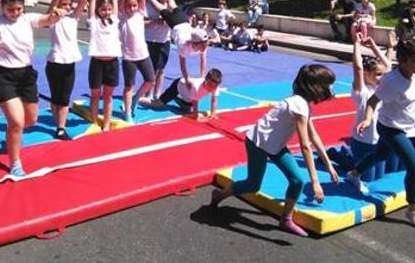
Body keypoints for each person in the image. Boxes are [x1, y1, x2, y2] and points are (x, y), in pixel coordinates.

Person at [210, 64, 340, 237]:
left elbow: (314, 136)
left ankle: (286, 219)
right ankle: (219, 194)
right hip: (258, 142)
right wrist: (315, 181)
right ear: (316, 86)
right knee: (253, 184)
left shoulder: (305, 104)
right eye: (329, 84)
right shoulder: (299, 105)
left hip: (276, 145)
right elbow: (305, 145)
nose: (331, 88)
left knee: (297, 181)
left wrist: (328, 165)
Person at [346, 39, 415, 232]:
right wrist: (368, 119)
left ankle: (354, 173)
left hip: (406, 126)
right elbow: (372, 101)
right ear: (402, 60)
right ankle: (412, 210)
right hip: (389, 127)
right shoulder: (392, 81)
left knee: (382, 154)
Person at [0, 0, 62, 177]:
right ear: (2, 6)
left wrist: (56, 15)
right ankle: (15, 163)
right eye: (10, 9)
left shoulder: (27, 19)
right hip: (3, 76)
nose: (15, 13)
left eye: (19, 9)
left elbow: (46, 19)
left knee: (31, 120)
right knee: (17, 122)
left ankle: (13, 134)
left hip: (26, 75)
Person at [45, 0, 87, 139]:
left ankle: (60, 128)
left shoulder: (73, 18)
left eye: (69, 4)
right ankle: (58, 123)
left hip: (69, 62)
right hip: (54, 62)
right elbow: (54, 1)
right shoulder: (52, 18)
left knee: (64, 97)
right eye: (64, 4)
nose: (67, 7)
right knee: (55, 97)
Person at [348, 32, 394, 182]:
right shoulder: (362, 91)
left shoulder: (382, 88)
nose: (382, 77)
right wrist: (357, 44)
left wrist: (375, 46)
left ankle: (347, 156)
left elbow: (388, 66)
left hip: (379, 140)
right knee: (368, 178)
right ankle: (339, 155)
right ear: (366, 74)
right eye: (378, 75)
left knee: (379, 177)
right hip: (363, 141)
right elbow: (358, 68)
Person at [144, 0, 209, 85]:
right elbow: (183, 66)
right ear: (196, 43)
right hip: (175, 22)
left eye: (205, 45)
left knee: (174, 7)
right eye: (202, 45)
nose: (204, 48)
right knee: (161, 8)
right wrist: (186, 79)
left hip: (185, 21)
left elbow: (203, 61)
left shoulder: (203, 43)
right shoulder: (183, 46)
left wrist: (202, 77)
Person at [85, 0, 122, 131]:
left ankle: (106, 124)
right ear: (98, 10)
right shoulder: (93, 21)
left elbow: (114, 0)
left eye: (108, 9)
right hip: (97, 63)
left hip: (112, 62)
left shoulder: (115, 21)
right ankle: (94, 122)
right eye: (103, 9)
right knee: (95, 94)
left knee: (108, 96)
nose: (106, 12)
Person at [119, 0, 155, 123]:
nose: (132, 8)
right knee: (128, 86)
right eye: (129, 6)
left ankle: (135, 99)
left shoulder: (140, 13)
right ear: (125, 7)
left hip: (143, 54)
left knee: (150, 80)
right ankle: (127, 113)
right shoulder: (122, 16)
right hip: (128, 57)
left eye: (134, 6)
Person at [141, 68, 222, 120]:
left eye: (215, 86)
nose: (212, 88)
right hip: (178, 86)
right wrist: (196, 116)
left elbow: (214, 100)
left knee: (186, 110)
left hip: (188, 95)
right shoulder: (197, 87)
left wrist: (213, 114)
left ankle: (175, 98)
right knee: (158, 105)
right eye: (210, 85)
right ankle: (138, 98)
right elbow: (195, 103)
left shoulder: (214, 86)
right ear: (205, 80)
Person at [144, 0, 172, 99]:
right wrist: (156, 21)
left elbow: (174, 21)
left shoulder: (170, 5)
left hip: (164, 41)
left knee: (160, 69)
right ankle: (147, 93)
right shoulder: (148, 5)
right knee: (151, 70)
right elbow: (141, 22)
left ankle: (157, 94)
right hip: (150, 40)